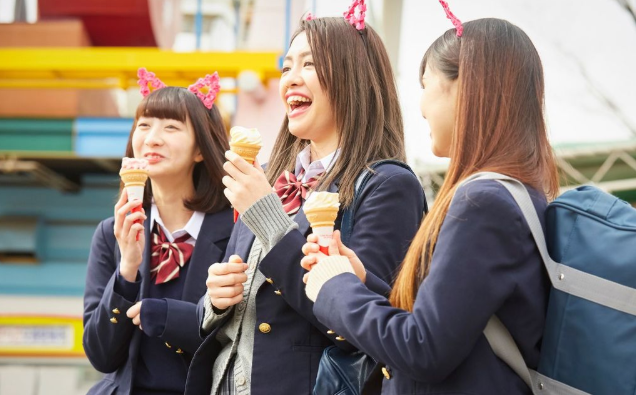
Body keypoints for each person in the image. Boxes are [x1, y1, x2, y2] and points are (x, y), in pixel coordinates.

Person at [301, 17, 560, 394]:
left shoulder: (483, 203)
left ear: (466, 88)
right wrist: (361, 280)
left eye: (425, 86)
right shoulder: (514, 194)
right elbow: (446, 325)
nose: (420, 106)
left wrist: (336, 287)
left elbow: (423, 349)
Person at [185, 14, 426, 395]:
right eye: (286, 67)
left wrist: (267, 218)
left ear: (353, 76)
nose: (291, 78)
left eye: (310, 64)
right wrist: (214, 301)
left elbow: (369, 326)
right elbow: (243, 309)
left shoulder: (389, 185)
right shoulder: (269, 177)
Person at [83, 71, 234, 395]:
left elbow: (244, 342)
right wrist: (127, 269)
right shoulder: (111, 233)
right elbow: (101, 356)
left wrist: (170, 318)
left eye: (171, 127)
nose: (152, 138)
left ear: (200, 149)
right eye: (144, 125)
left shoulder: (237, 229)